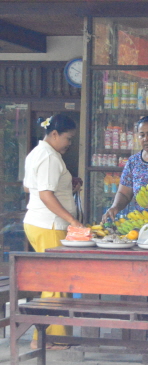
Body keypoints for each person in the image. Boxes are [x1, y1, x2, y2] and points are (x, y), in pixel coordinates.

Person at [23, 114, 83, 350]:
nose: (70, 142)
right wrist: (72, 220)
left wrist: (68, 185)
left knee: (54, 279)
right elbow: (45, 194)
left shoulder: (38, 153)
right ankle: (51, 338)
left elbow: (29, 186)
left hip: (39, 223)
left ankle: (49, 336)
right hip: (50, 225)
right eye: (68, 138)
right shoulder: (49, 157)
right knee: (57, 281)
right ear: (54, 134)